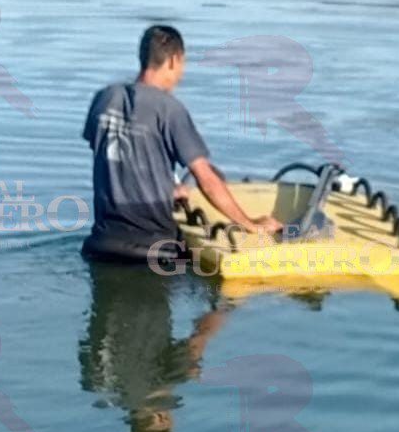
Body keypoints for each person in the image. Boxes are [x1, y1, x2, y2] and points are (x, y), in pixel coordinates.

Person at [82, 24, 281, 263]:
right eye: (183, 65)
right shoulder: (170, 109)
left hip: (101, 244)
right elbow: (206, 180)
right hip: (154, 250)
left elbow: (114, 159)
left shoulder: (104, 99)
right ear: (174, 60)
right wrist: (251, 225)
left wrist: (165, 189)